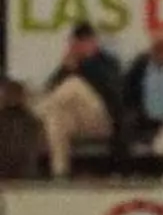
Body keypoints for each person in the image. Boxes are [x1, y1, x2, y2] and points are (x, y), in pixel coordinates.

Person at [36, 22, 122, 178]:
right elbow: (50, 89)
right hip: (78, 122)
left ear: (92, 42)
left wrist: (83, 64)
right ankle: (60, 173)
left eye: (84, 42)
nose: (79, 46)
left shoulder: (108, 62)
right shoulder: (70, 64)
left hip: (102, 120)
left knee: (73, 84)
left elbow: (112, 90)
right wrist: (65, 69)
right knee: (55, 119)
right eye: (77, 43)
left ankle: (34, 114)